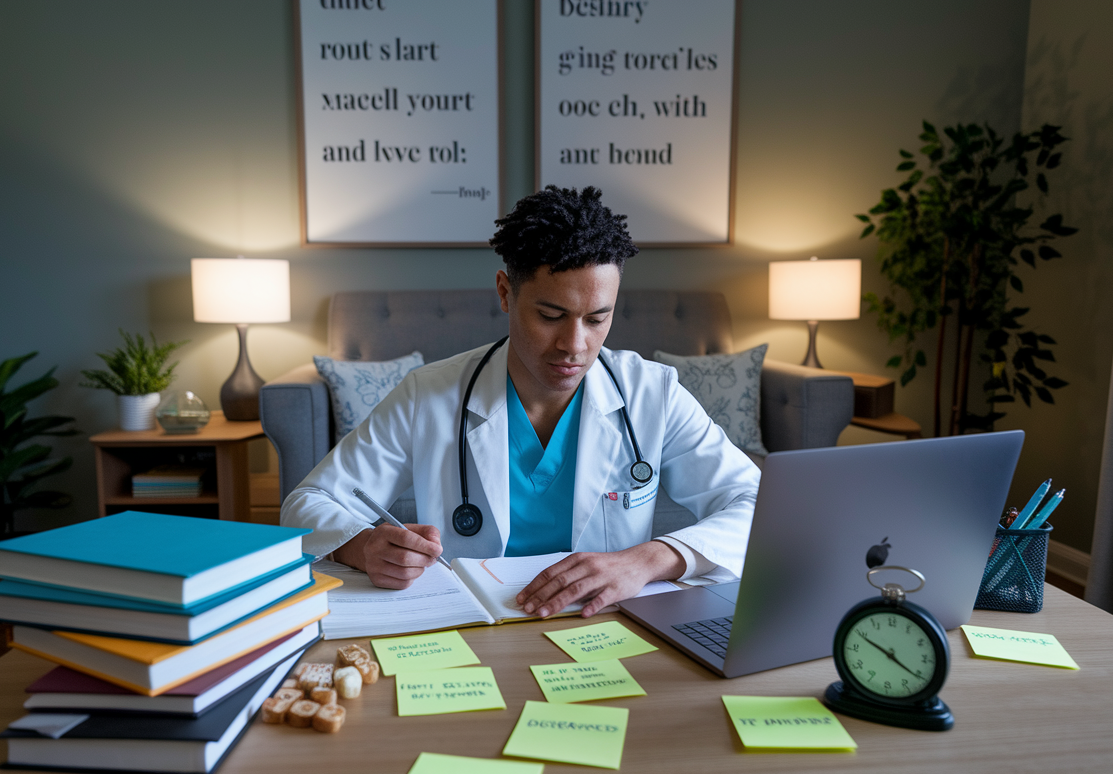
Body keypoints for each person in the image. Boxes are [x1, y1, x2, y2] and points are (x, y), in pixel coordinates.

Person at [281, 186, 760, 618]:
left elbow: (757, 503)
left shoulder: (652, 393)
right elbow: (307, 503)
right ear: (506, 293)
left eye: (597, 318)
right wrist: (363, 545)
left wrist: (652, 558)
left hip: (606, 624)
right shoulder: (429, 394)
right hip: (470, 624)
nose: (574, 345)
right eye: (551, 315)